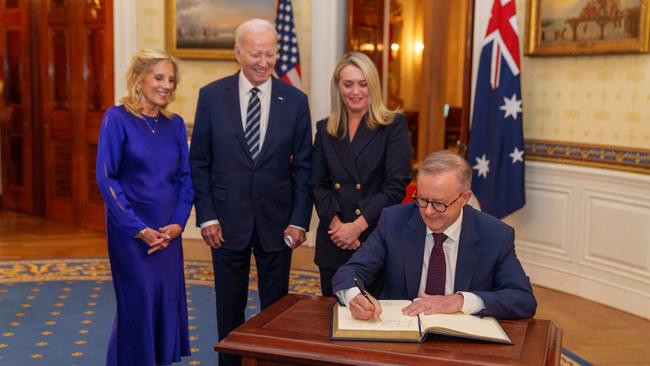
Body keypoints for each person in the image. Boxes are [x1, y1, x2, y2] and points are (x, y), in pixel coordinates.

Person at [189, 19, 312, 366]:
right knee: (229, 307)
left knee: (276, 309)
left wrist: (299, 221)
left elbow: (305, 166)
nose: (263, 61)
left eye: (270, 53)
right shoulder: (212, 96)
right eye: (255, 53)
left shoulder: (296, 101)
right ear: (238, 53)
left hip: (279, 223)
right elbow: (199, 162)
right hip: (225, 224)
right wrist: (207, 216)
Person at [332, 150, 537, 321]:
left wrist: (460, 301)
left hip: (462, 342)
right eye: (422, 200)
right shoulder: (394, 221)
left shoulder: (495, 235)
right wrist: (354, 295)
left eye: (439, 203)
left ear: (464, 198)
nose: (428, 212)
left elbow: (523, 299)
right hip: (402, 333)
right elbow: (349, 272)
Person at [96, 49, 193, 365]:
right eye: (159, 77)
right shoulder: (117, 119)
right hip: (132, 236)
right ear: (139, 80)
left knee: (165, 304)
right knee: (138, 305)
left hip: (168, 233)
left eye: (171, 80)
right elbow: (107, 178)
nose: (167, 85)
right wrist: (138, 229)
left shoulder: (175, 124)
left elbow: (185, 179)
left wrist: (177, 224)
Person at [311, 52, 412, 297]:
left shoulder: (393, 125)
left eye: (362, 84)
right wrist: (338, 227)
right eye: (348, 84)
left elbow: (395, 187)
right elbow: (317, 184)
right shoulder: (325, 130)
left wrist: (356, 227)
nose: (355, 91)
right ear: (338, 87)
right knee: (333, 319)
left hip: (373, 238)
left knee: (373, 321)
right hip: (334, 240)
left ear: (373, 86)